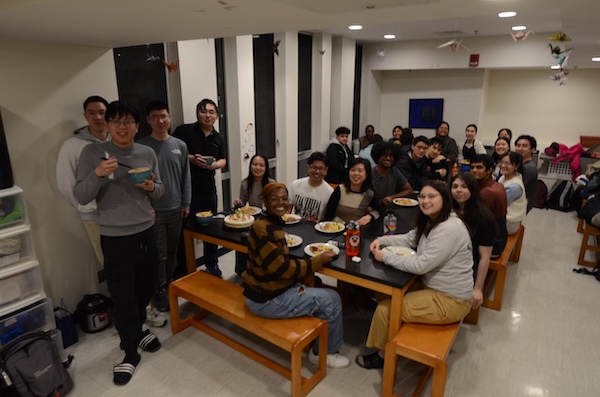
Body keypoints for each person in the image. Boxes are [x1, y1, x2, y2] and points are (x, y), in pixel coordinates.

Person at [74, 101, 164, 386]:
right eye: (116, 121)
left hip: (145, 231)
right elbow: (81, 194)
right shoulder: (92, 153)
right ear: (108, 126)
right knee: (123, 295)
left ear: (137, 126)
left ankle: (136, 330)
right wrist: (98, 174)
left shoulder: (147, 152)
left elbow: (159, 191)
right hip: (114, 237)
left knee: (145, 288)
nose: (122, 127)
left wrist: (151, 187)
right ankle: (129, 352)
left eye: (128, 121)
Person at [356, 181, 473, 369]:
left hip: (450, 300)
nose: (425, 201)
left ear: (445, 199)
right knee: (383, 292)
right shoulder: (434, 219)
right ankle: (393, 334)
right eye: (422, 197)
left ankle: (382, 355)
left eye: (432, 196)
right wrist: (381, 240)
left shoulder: (449, 228)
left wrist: (385, 257)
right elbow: (410, 238)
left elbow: (420, 265)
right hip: (433, 287)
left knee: (386, 310)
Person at [242, 182, 350, 369]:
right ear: (266, 201)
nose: (281, 203)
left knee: (314, 282)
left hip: (262, 291)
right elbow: (283, 270)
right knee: (332, 298)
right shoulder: (263, 228)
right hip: (265, 300)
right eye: (274, 199)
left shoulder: (270, 223)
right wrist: (318, 260)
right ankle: (325, 354)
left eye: (284, 198)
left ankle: (316, 340)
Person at [138, 100, 191, 319]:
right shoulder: (141, 147)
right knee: (158, 254)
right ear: (148, 120)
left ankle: (168, 284)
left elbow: (185, 176)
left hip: (176, 208)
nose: (160, 121)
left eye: (164, 116)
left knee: (172, 251)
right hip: (153, 211)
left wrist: (186, 203)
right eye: (155, 117)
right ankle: (159, 290)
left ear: (169, 117)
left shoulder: (180, 145)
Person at [173, 98, 226, 277]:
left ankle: (212, 264)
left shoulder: (218, 138)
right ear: (197, 113)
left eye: (211, 112)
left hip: (209, 191)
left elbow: (223, 159)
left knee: (211, 230)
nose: (207, 115)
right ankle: (186, 269)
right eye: (203, 111)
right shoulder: (184, 131)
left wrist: (214, 166)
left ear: (216, 115)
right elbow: (173, 151)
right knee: (185, 231)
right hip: (187, 192)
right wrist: (192, 159)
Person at [56, 95, 109, 265]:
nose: (98, 117)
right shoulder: (72, 145)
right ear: (85, 116)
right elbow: (65, 183)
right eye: (92, 113)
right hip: (93, 215)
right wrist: (84, 205)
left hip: (122, 212)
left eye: (102, 112)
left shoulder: (118, 140)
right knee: (107, 260)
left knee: (128, 260)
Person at [451, 173, 496, 310]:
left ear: (473, 190)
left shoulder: (483, 218)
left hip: (468, 268)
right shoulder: (450, 210)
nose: (459, 190)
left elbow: (485, 257)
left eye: (464, 187)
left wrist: (477, 289)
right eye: (455, 186)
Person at [469, 154, 508, 257]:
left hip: (492, 245)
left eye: (479, 167)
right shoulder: (497, 184)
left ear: (489, 170)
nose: (474, 170)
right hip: (500, 238)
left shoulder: (486, 192)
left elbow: (474, 220)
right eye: (472, 167)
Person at [324, 158, 381, 226]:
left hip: (358, 232)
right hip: (336, 229)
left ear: (366, 174)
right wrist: (345, 226)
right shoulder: (340, 190)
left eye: (360, 171)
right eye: (353, 170)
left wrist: (369, 216)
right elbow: (328, 214)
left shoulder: (369, 194)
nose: (356, 173)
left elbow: (379, 211)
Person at [288, 152, 333, 221]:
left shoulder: (330, 192)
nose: (317, 172)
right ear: (308, 167)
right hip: (295, 226)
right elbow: (288, 209)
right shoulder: (295, 185)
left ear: (326, 170)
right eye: (314, 168)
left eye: (321, 169)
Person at [498, 152, 527, 234]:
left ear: (516, 166)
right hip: (503, 218)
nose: (503, 165)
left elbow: (499, 205)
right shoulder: (504, 177)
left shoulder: (514, 187)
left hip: (509, 223)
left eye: (507, 163)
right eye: (502, 162)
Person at [514, 134, 538, 213]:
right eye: (518, 145)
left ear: (533, 149)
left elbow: (516, 189)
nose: (520, 148)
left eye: (524, 146)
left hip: (519, 207)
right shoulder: (520, 165)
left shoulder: (529, 168)